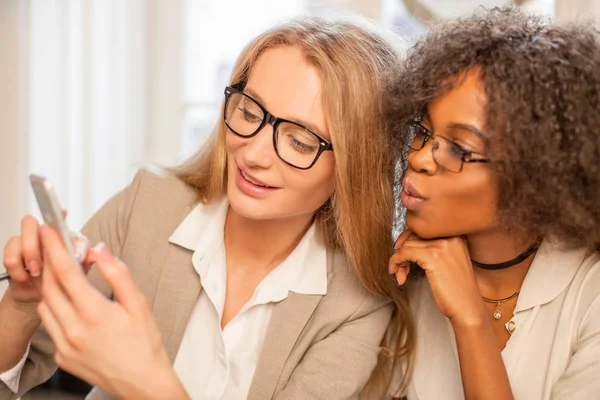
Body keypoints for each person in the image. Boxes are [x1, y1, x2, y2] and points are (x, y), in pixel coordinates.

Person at [0, 16, 414, 400]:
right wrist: (20, 306)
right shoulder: (149, 206)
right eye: (249, 112)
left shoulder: (358, 303)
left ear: (357, 167)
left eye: (299, 142)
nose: (252, 153)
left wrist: (147, 382)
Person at [383, 7, 600, 400]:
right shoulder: (403, 278)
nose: (418, 158)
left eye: (459, 148)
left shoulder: (591, 297)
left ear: (535, 173)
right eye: (422, 130)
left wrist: (470, 319)